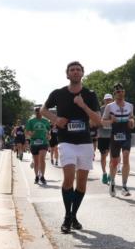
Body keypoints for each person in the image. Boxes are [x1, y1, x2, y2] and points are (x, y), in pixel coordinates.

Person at [42, 61, 102, 234]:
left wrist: (83, 105)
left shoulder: (90, 94)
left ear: (82, 73)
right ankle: (67, 216)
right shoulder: (58, 93)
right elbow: (44, 110)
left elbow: (98, 120)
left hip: (85, 142)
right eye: (72, 70)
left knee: (82, 183)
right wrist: (55, 119)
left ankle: (73, 216)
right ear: (67, 74)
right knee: (69, 178)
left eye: (78, 70)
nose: (75, 72)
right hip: (66, 141)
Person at [102, 83, 135, 197]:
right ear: (114, 94)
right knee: (114, 162)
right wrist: (111, 121)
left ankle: (124, 186)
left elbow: (132, 119)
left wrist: (132, 122)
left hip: (126, 134)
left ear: (124, 92)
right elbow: (103, 122)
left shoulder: (130, 105)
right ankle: (112, 182)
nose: (119, 93)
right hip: (115, 135)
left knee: (126, 158)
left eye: (121, 91)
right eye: (117, 92)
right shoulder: (109, 107)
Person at [26, 106, 52, 185]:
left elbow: (48, 131)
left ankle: (42, 176)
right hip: (34, 142)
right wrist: (31, 134)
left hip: (43, 142)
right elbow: (27, 132)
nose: (38, 113)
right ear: (35, 112)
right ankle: (37, 176)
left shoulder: (46, 121)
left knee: (42, 159)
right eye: (37, 112)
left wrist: (48, 136)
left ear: (42, 112)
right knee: (36, 161)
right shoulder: (31, 121)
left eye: (39, 111)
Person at [96, 93, 114, 184]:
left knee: (113, 157)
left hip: (112, 136)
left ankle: (111, 173)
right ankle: (104, 173)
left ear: (112, 100)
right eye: (106, 100)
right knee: (103, 156)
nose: (108, 101)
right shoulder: (100, 110)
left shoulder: (115, 109)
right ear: (104, 100)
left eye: (110, 100)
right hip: (102, 136)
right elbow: (98, 122)